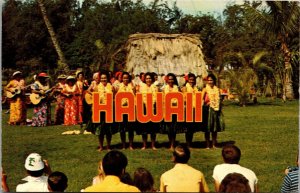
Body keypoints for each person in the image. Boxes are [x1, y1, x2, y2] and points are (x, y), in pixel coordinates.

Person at [94, 71, 117, 151]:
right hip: (100, 110)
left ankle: (108, 146)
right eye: (102, 78)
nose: (103, 79)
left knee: (108, 129)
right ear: (100, 79)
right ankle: (101, 146)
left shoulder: (111, 87)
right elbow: (94, 98)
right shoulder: (96, 87)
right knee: (100, 129)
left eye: (105, 78)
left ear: (108, 78)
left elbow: (115, 97)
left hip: (109, 109)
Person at [137, 72, 159, 150]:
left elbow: (157, 98)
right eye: (147, 78)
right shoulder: (141, 88)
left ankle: (153, 145)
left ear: (152, 79)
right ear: (144, 80)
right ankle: (144, 145)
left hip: (153, 109)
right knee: (144, 128)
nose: (148, 80)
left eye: (149, 78)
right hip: (144, 109)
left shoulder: (155, 87)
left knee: (153, 128)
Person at [202, 73, 225, 149]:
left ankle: (214, 144)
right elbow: (201, 99)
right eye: (208, 80)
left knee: (214, 128)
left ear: (214, 81)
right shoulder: (205, 89)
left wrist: (219, 106)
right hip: (207, 110)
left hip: (215, 110)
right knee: (207, 128)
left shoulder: (217, 89)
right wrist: (206, 103)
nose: (210, 82)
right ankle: (208, 144)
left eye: (211, 80)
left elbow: (219, 99)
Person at [162, 73, 181, 150]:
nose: (171, 81)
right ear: (167, 80)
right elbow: (162, 99)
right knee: (169, 128)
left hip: (175, 110)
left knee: (174, 128)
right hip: (167, 110)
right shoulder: (164, 89)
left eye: (172, 79)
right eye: (169, 79)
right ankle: (171, 143)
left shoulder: (177, 88)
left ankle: (172, 144)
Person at [181, 73, 201, 148]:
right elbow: (183, 99)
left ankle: (190, 142)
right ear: (187, 80)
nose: (191, 81)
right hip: (187, 109)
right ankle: (188, 144)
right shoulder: (185, 88)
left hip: (195, 109)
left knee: (192, 128)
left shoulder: (196, 88)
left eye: (193, 80)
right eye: (190, 80)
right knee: (188, 128)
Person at [117, 72, 136, 150]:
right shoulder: (118, 86)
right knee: (122, 129)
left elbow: (135, 96)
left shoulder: (132, 86)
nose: (125, 79)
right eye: (124, 78)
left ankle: (131, 144)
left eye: (127, 78)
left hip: (130, 109)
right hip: (121, 109)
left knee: (130, 129)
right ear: (122, 78)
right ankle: (124, 145)